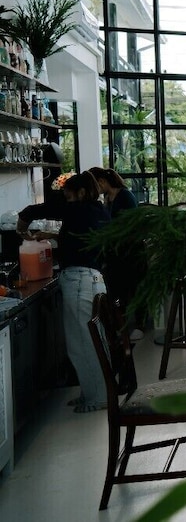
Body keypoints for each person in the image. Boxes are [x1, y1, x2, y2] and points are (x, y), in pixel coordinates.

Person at [17, 171, 111, 413]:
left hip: (79, 281)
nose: (66, 200)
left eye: (68, 195)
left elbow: (32, 211)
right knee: (95, 340)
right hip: (95, 279)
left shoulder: (77, 208)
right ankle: (94, 392)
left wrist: (21, 227)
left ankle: (97, 398)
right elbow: (79, 237)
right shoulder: (99, 210)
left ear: (80, 192)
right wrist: (52, 236)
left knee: (82, 343)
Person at [88, 167, 145, 341]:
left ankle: (139, 325)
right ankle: (121, 325)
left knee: (133, 289)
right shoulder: (107, 198)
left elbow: (130, 225)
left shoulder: (125, 196)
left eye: (96, 185)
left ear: (102, 182)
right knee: (116, 290)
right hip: (115, 253)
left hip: (130, 251)